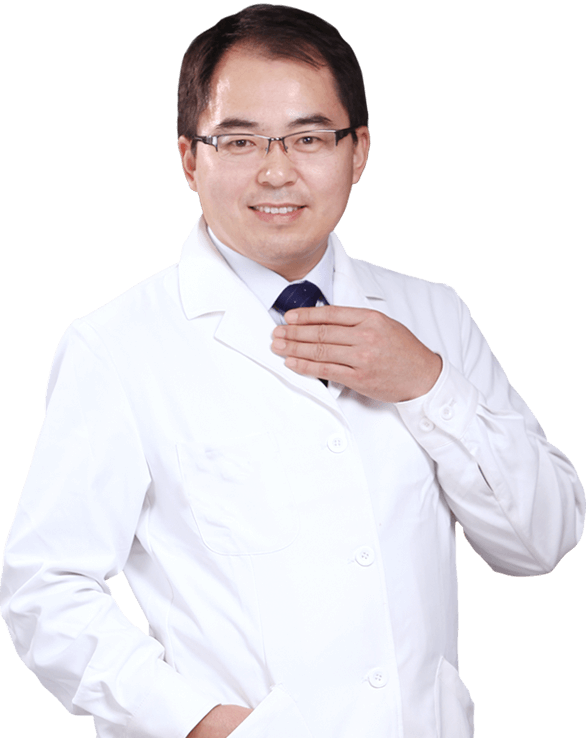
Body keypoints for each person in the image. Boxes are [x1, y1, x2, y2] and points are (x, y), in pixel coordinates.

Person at [1, 4, 584, 737]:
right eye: (240, 141)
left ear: (358, 151)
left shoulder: (432, 313)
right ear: (190, 159)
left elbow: (540, 541)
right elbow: (45, 587)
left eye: (309, 138)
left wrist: (428, 384)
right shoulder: (117, 346)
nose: (277, 172)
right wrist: (197, 722)